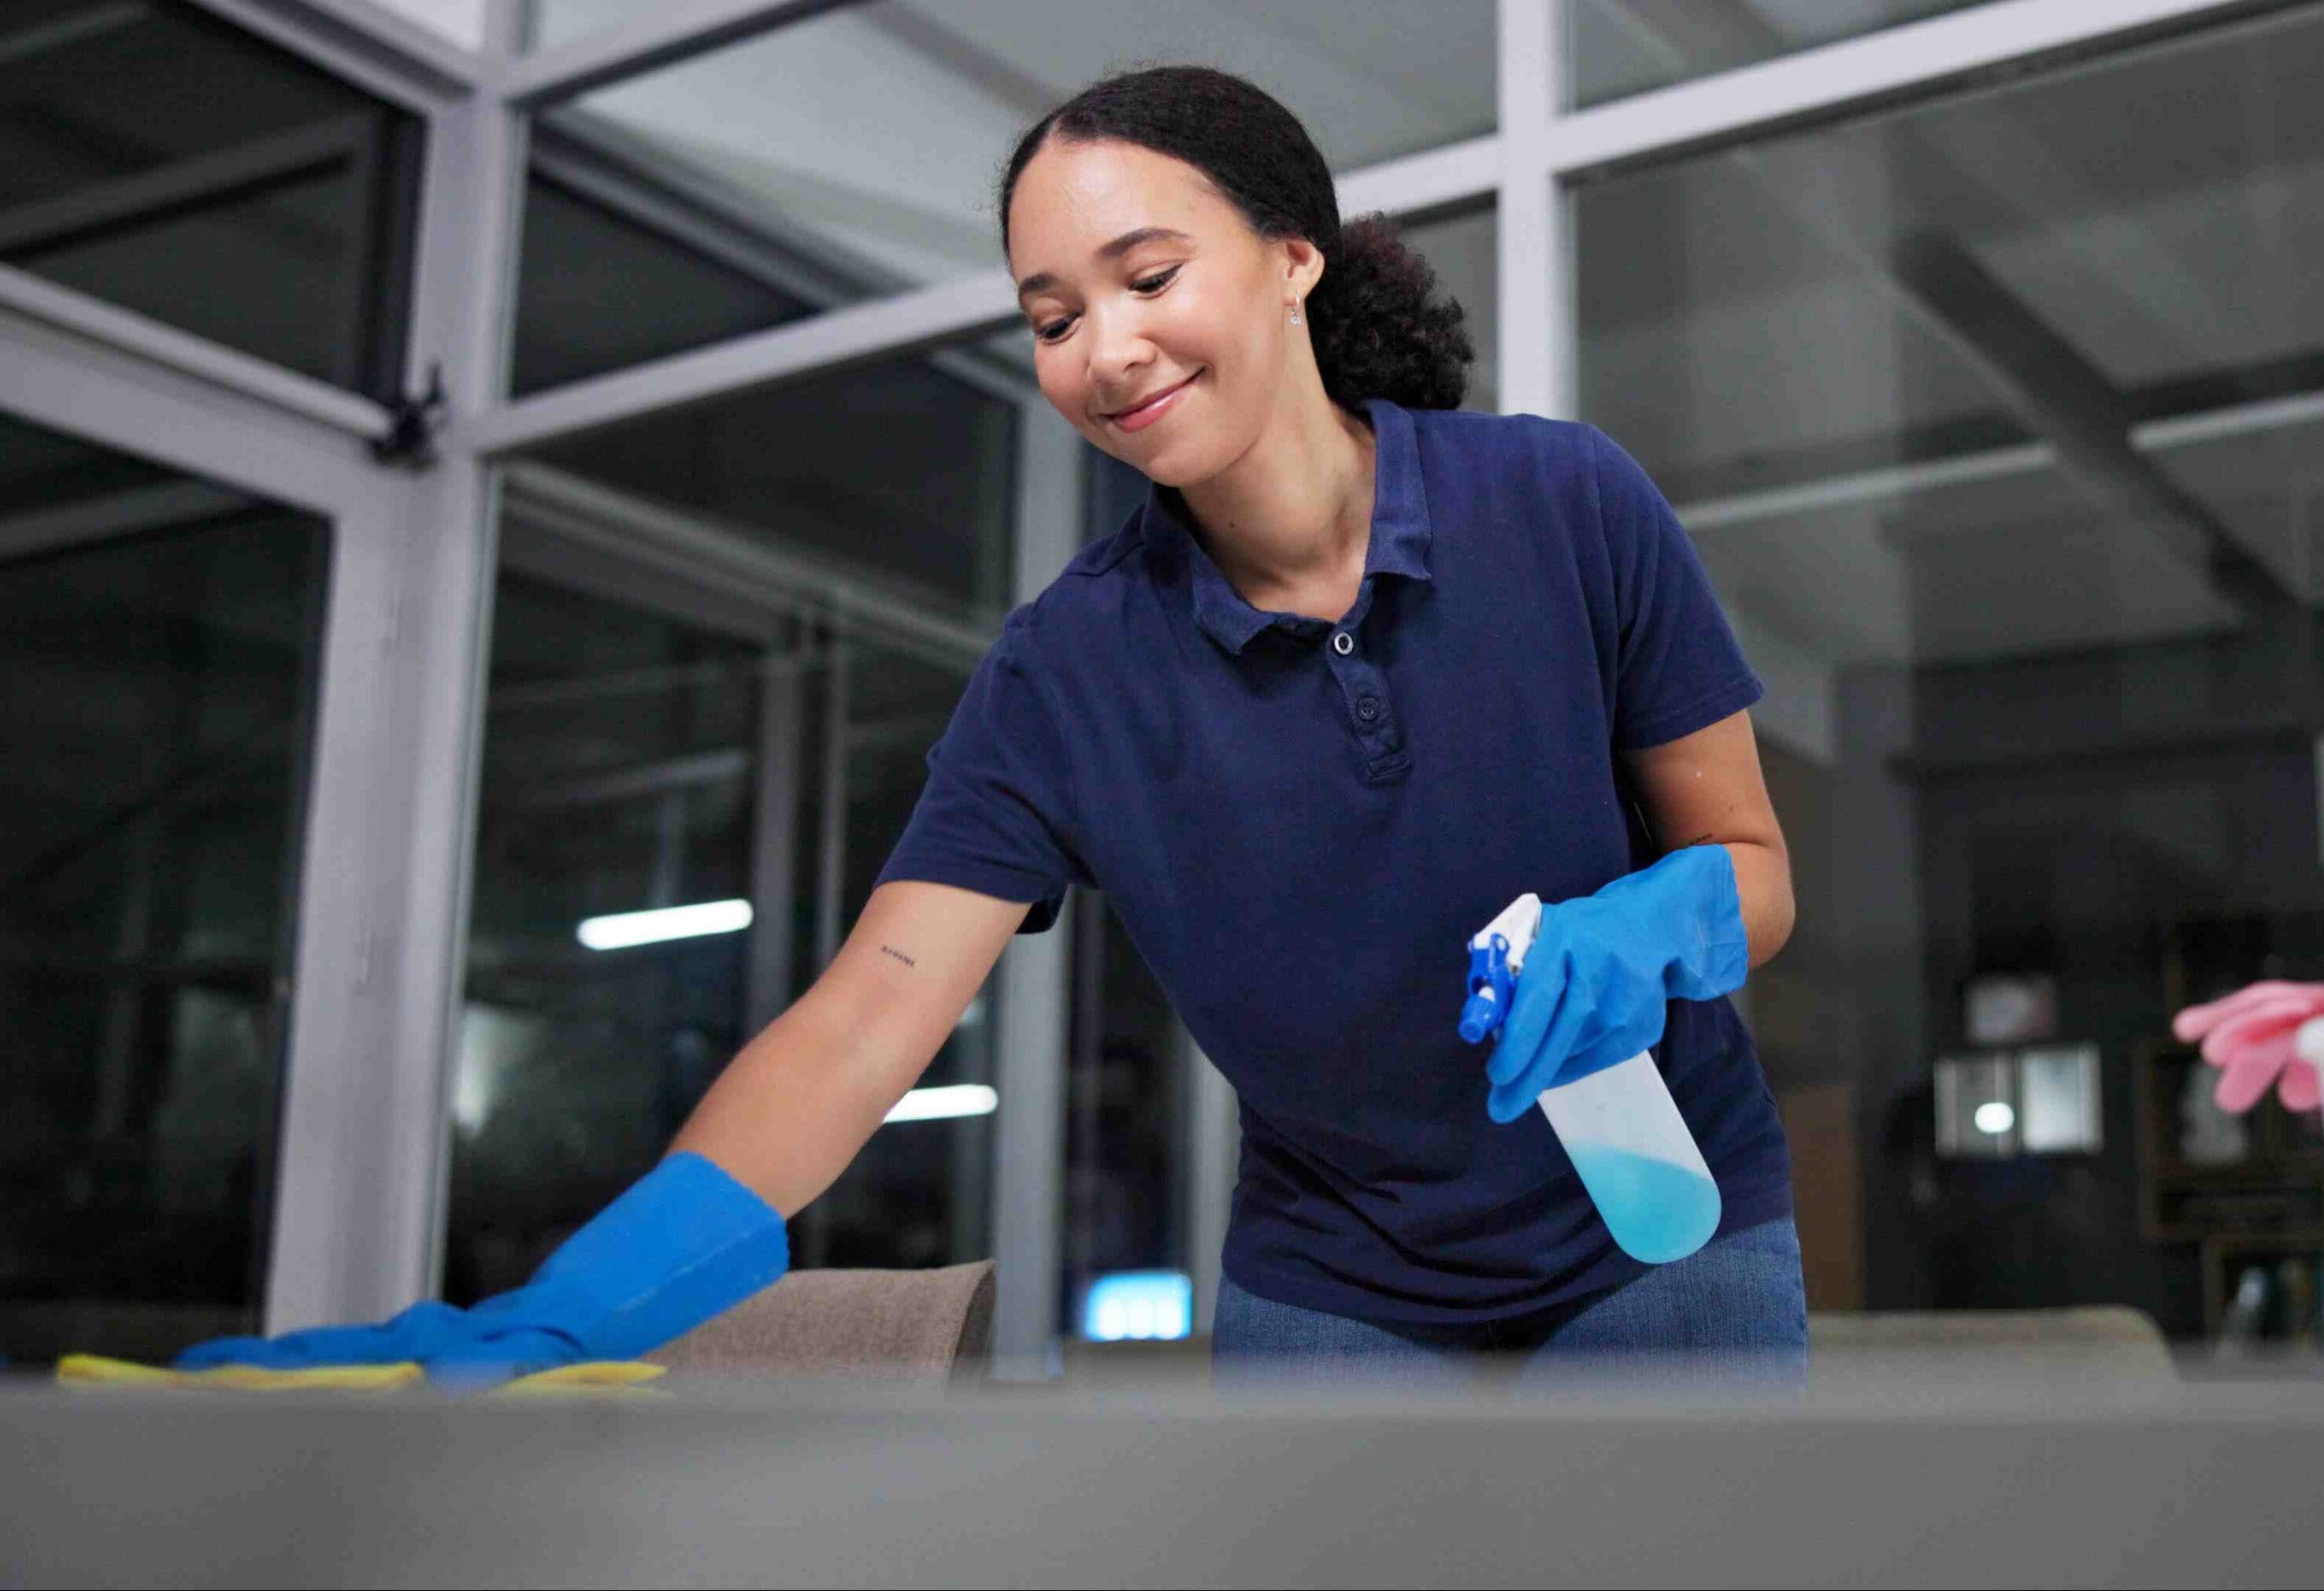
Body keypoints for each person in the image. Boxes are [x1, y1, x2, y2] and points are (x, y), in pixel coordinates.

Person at [180, 65, 1804, 1388]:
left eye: (1148, 278)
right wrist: (597, 1285)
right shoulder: (1068, 670)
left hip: (1664, 1229)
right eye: (1049, 317)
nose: (1107, 350)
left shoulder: (1562, 503)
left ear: (1295, 254)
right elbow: (867, 1017)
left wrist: (1657, 923)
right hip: (1342, 1282)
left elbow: (1750, 860)